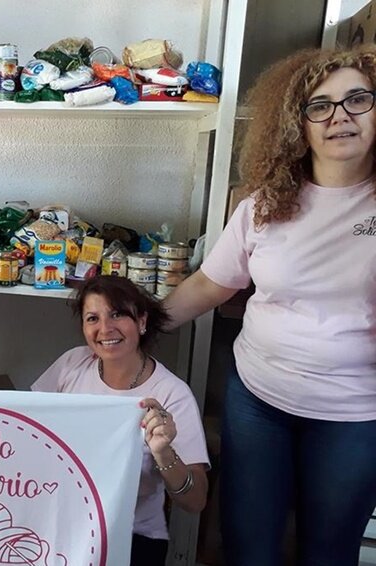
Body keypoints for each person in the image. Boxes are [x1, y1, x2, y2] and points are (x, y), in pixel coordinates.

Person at [163, 47, 376, 566]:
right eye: (318, 106)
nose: (339, 116)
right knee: (248, 546)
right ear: (297, 125)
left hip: (355, 412)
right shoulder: (264, 205)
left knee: (329, 554)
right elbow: (211, 285)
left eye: (357, 99)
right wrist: (138, 325)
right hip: (259, 401)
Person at [32, 275, 209, 566]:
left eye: (117, 314)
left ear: (141, 322)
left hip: (133, 536)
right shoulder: (72, 365)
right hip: (64, 525)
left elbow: (195, 501)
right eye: (93, 318)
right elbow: (31, 431)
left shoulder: (172, 394)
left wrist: (164, 452)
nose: (105, 328)